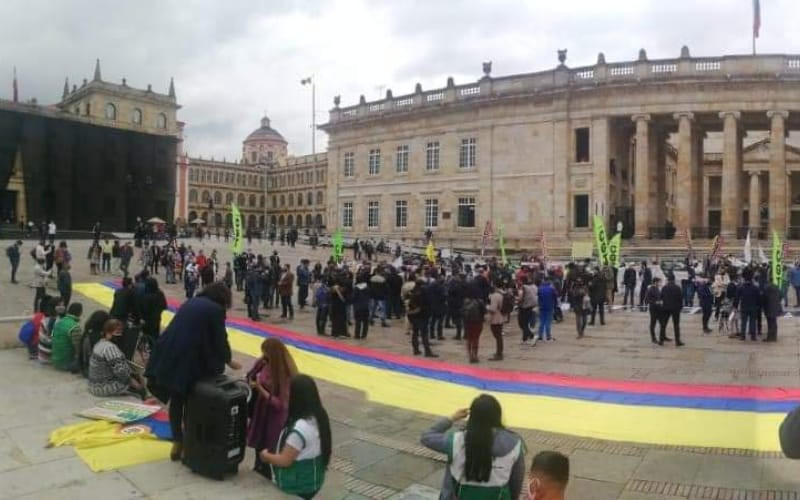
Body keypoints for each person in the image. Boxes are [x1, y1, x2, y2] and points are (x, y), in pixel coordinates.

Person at [145, 282, 242, 462]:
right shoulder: (215, 310)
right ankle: (192, 440)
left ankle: (177, 440)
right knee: (195, 398)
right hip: (189, 358)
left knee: (177, 399)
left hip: (169, 352)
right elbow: (220, 339)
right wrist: (228, 360)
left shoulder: (191, 302)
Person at [421, 394, 525, 500]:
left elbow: (427, 437)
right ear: (497, 415)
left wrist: (452, 418)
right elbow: (517, 480)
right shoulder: (514, 443)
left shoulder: (457, 440)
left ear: (472, 417)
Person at [260, 375, 332, 499]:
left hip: (299, 484)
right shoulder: (319, 415)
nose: (287, 394)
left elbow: (285, 461)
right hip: (315, 479)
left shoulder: (300, 429)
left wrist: (266, 456)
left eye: (289, 391)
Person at [247, 338, 298, 478]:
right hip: (261, 411)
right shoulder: (264, 364)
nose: (264, 355)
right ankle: (258, 466)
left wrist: (260, 388)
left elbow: (280, 404)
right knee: (258, 439)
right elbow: (250, 376)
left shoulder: (285, 374)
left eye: (266, 353)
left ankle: (269, 472)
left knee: (270, 443)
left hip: (274, 416)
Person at [88, 319, 145, 398]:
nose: (120, 335)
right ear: (108, 332)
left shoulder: (99, 343)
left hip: (94, 385)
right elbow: (121, 372)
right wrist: (138, 386)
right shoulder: (110, 348)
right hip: (104, 388)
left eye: (121, 332)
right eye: (117, 333)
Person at [408, 279, 437, 357]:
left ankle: (415, 350)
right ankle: (427, 351)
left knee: (415, 333)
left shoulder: (413, 292)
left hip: (414, 316)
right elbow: (426, 304)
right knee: (424, 334)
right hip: (423, 316)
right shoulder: (423, 293)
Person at [51, 302, 84, 372]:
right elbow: (78, 348)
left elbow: (52, 337)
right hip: (66, 362)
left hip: (55, 359)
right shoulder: (75, 327)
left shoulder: (59, 321)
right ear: (80, 313)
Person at [659, 274, 683, 346]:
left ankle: (661, 340)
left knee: (663, 324)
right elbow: (680, 298)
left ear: (668, 280)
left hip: (666, 308)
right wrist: (680, 307)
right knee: (676, 325)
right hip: (675, 308)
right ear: (674, 280)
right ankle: (677, 341)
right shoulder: (677, 288)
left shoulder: (664, 287)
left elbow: (661, 297)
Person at [486, 285, 505, 361]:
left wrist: (486, 307)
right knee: (499, 336)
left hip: (495, 318)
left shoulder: (494, 296)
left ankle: (499, 354)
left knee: (497, 336)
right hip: (501, 316)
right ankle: (499, 352)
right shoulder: (501, 295)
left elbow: (493, 309)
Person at [517, 276, 538, 345]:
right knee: (525, 323)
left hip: (524, 307)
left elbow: (521, 298)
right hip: (531, 307)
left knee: (522, 324)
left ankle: (532, 336)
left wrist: (516, 300)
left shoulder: (523, 288)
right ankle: (524, 339)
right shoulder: (532, 287)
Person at [644, 277, 662, 344]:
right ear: (655, 282)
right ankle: (653, 338)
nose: (660, 284)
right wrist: (655, 302)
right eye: (659, 282)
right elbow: (646, 300)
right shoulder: (650, 289)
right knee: (653, 323)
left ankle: (663, 336)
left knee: (662, 323)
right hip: (653, 309)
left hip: (659, 308)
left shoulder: (657, 289)